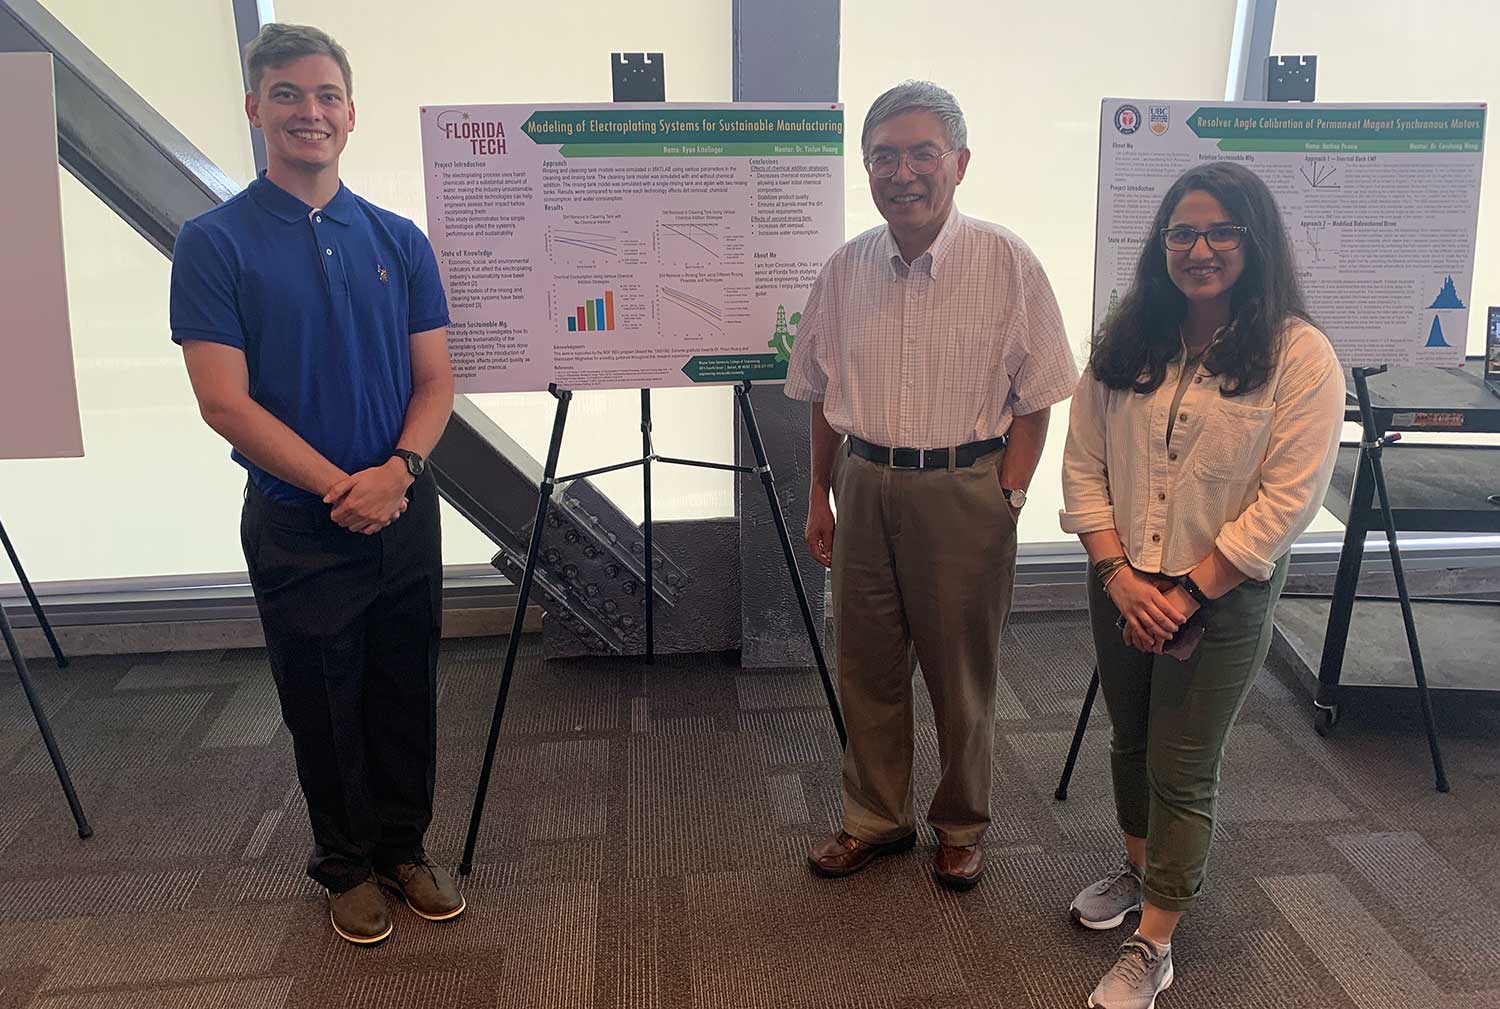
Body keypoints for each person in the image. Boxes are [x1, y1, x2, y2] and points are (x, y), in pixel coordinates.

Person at [169, 23, 460, 945]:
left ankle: (402, 847)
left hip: (403, 506)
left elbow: (436, 380)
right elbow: (224, 403)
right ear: (255, 109)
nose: (310, 112)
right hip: (302, 518)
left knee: (405, 686)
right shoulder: (214, 243)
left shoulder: (397, 237)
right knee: (322, 699)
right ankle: (343, 863)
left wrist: (397, 473)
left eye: (327, 95)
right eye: (288, 94)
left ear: (351, 113)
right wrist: (348, 488)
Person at [1059, 161, 1346, 1007]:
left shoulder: (1300, 353)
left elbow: (1286, 500)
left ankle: (1155, 942)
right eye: (1182, 232)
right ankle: (1140, 868)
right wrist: (1115, 574)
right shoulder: (1131, 333)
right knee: (1129, 740)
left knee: (1182, 764)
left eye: (1222, 230)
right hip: (1122, 583)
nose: (1200, 248)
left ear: (1254, 242)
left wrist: (1184, 594)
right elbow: (1083, 463)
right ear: (1161, 245)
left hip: (1218, 593)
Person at [785, 81, 1078, 890]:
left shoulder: (1006, 261)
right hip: (866, 484)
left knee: (960, 672)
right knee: (868, 664)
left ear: (959, 162)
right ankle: (875, 818)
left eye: (921, 153)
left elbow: (1040, 394)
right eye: (884, 156)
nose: (902, 172)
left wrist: (1008, 495)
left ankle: (960, 823)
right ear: (867, 169)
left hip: (963, 492)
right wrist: (820, 491)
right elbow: (817, 392)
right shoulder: (845, 270)